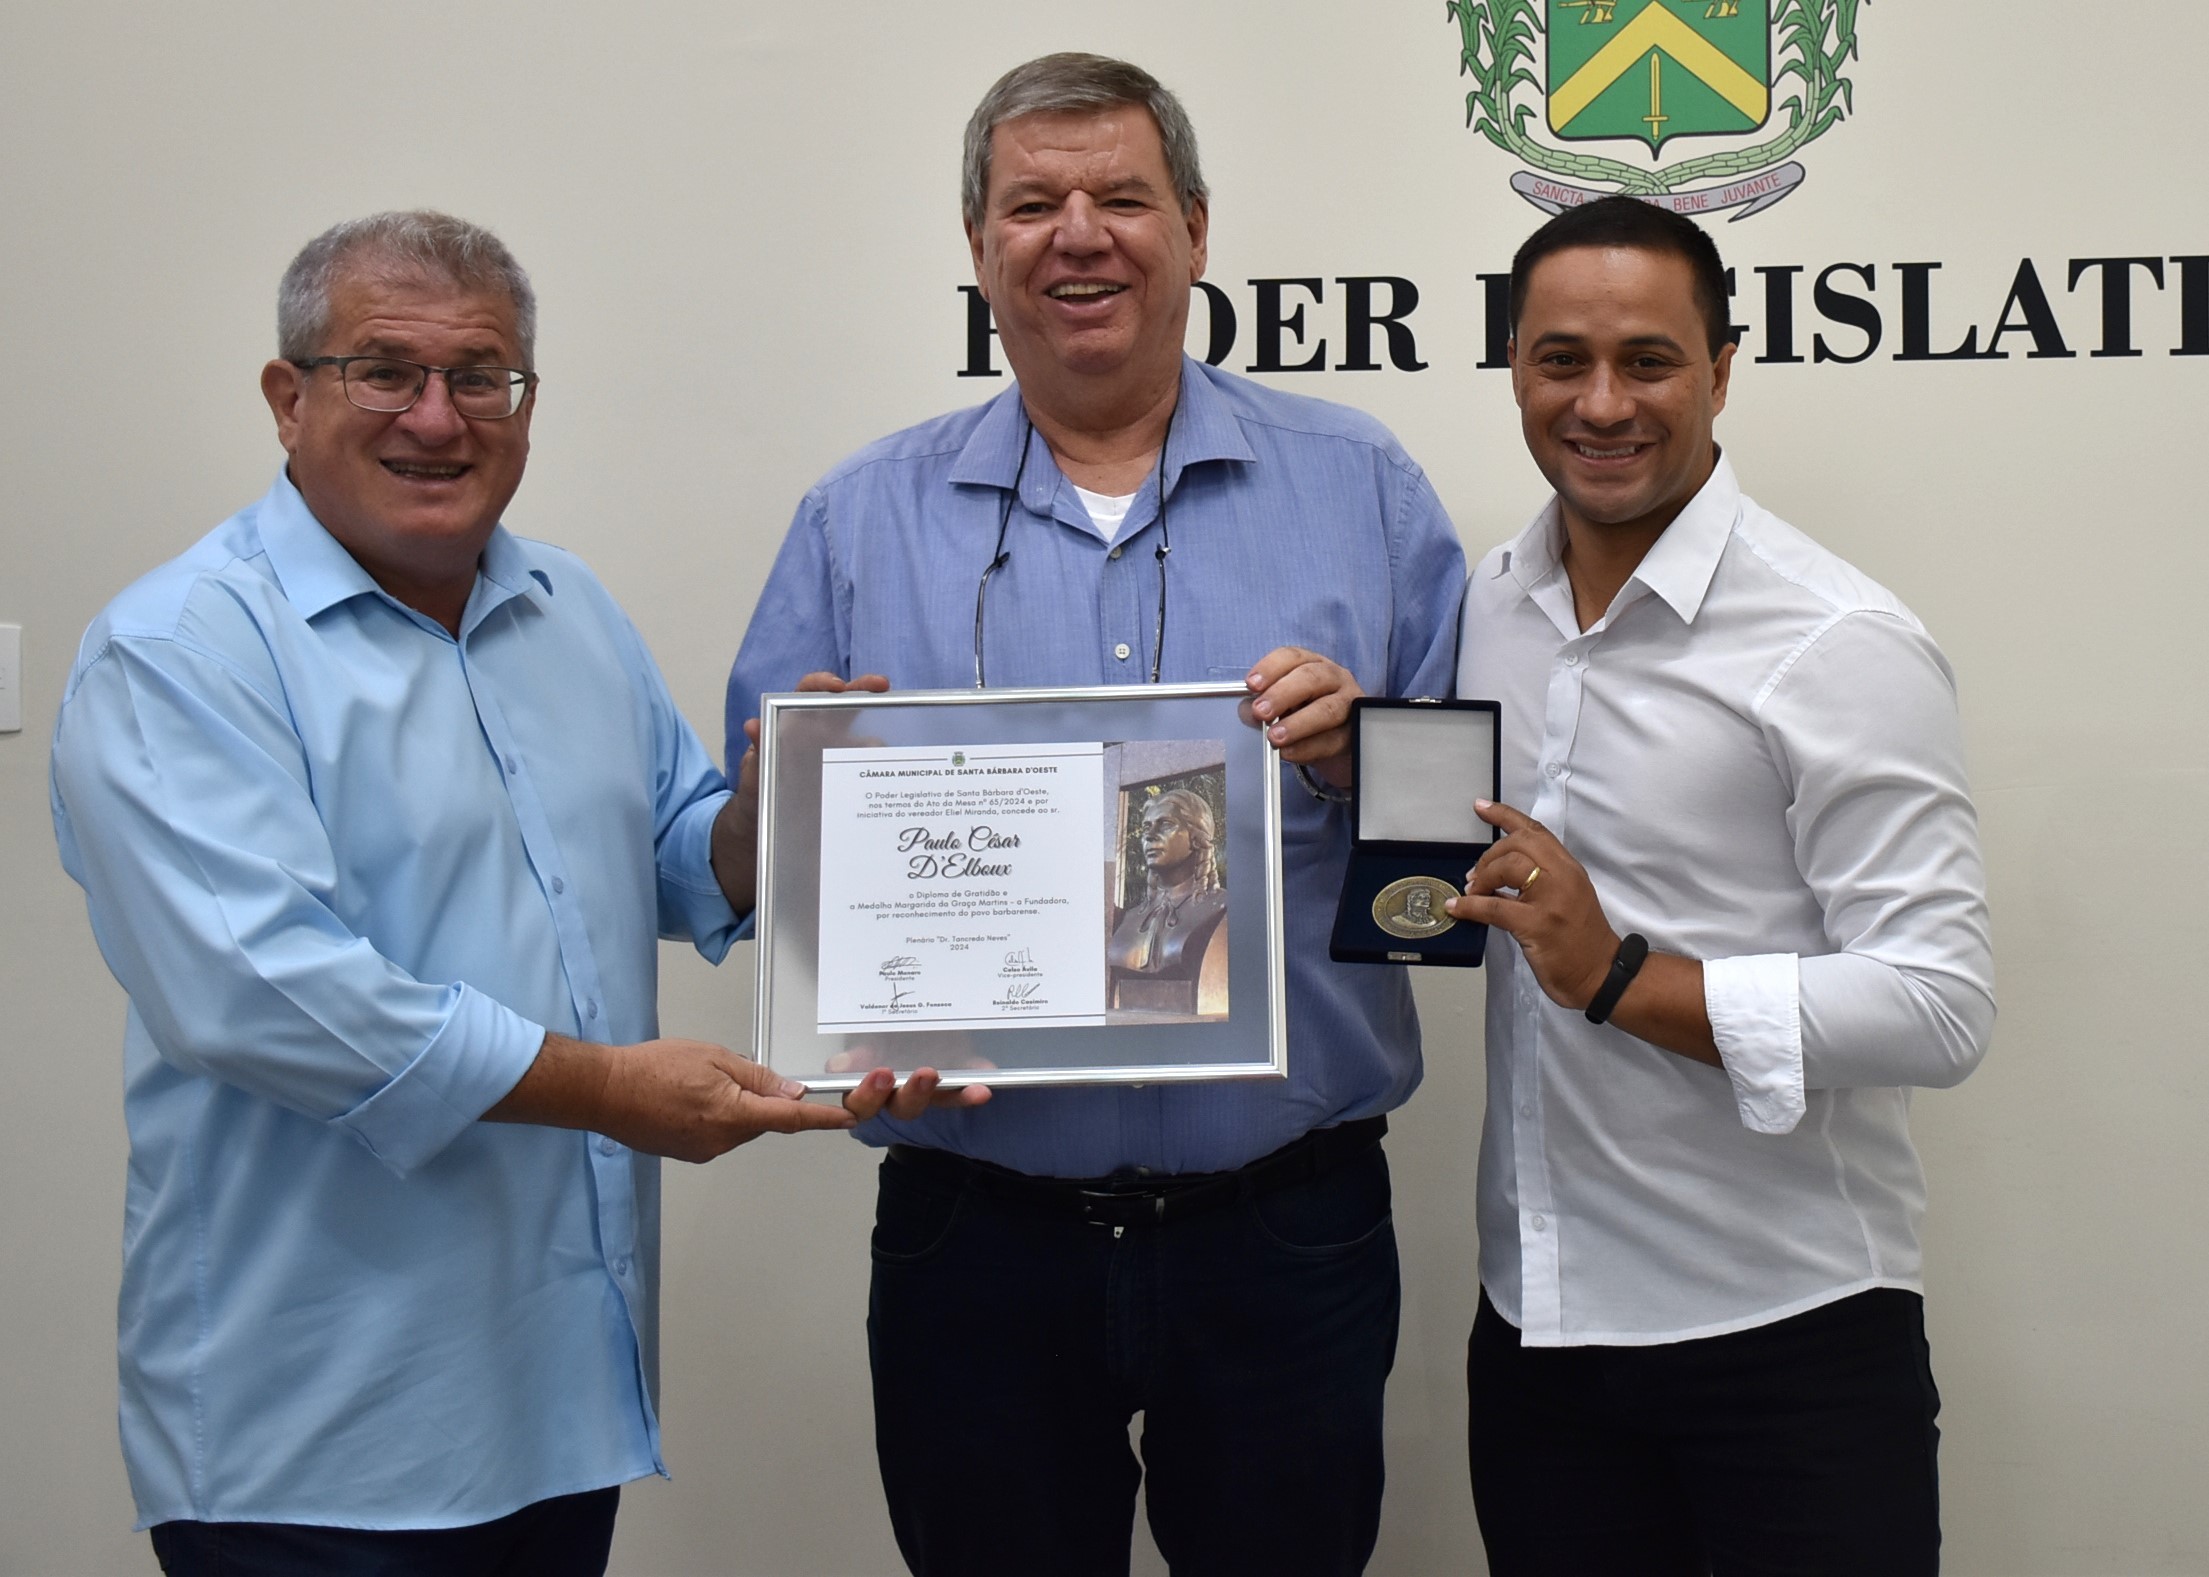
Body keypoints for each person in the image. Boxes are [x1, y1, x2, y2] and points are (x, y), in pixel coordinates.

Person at [49, 210, 963, 1577]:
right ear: (287, 397)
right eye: (385, 371)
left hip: (553, 1401)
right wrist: (608, 1090)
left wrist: (779, 821)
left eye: (483, 375)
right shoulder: (178, 653)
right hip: (316, 1435)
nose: (440, 416)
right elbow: (263, 991)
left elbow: (670, 843)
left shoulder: (567, 607)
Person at [722, 53, 1466, 1577]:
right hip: (975, 1238)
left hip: (1285, 1232)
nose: (1079, 234)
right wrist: (784, 806)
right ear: (979, 246)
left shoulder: (1362, 488)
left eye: (1121, 197)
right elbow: (739, 877)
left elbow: (1447, 876)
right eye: (1032, 203)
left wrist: (1353, 765)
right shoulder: (858, 518)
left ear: (1193, 228)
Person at [1447, 195, 1995, 1575]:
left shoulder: (1836, 640)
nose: (1601, 402)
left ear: (1721, 369)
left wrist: (1620, 976)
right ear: (1512, 365)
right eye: (1559, 359)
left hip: (1787, 1341)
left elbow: (1938, 1005)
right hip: (1538, 1330)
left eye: (1648, 360)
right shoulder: (1482, 607)